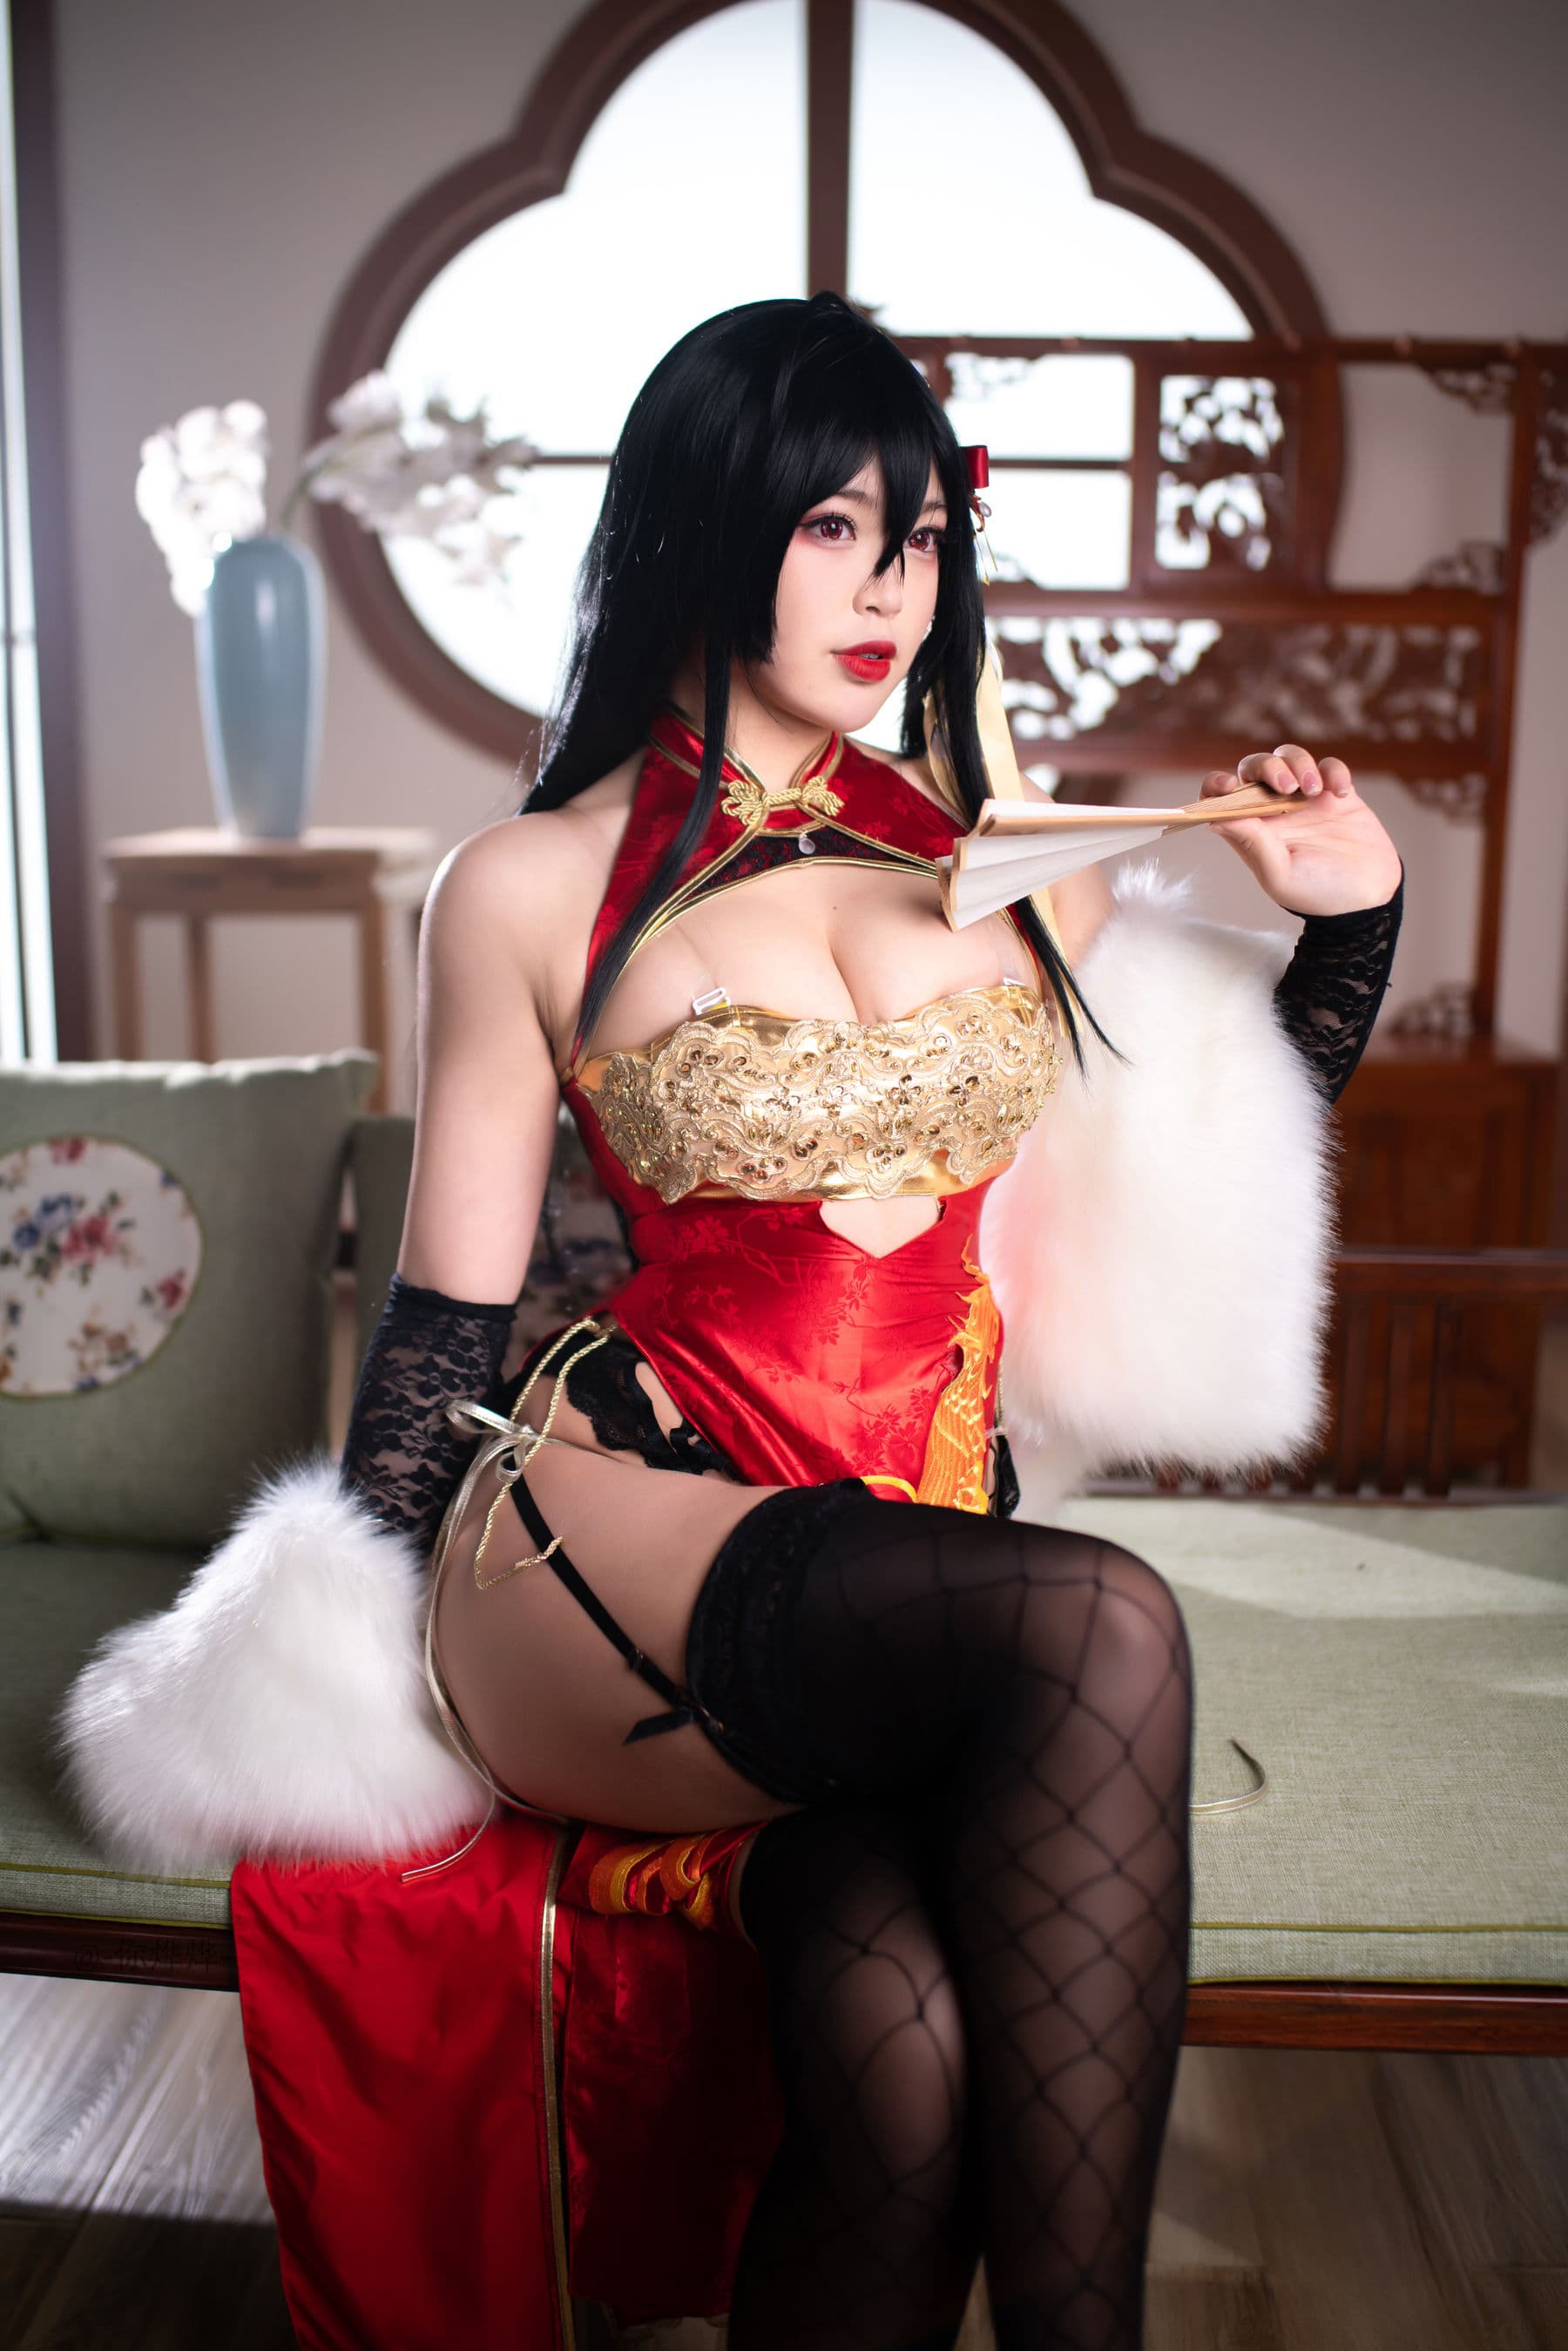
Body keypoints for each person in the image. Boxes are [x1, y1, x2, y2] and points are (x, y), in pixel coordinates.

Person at [333, 291, 1403, 2349]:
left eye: (917, 538)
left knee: (901, 2065)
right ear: (704, 519)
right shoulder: (531, 883)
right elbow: (444, 1320)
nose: (890, 588)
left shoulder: (1010, 867)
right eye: (833, 527)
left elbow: (1207, 1158)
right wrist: (337, 1671)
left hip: (903, 1568)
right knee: (1104, 1621)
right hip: (604, 1545)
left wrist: (1351, 914)